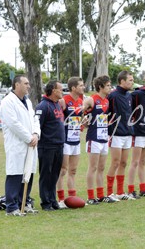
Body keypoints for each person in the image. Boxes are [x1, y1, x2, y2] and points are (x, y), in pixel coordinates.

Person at [1, 75, 40, 216]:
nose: (28, 86)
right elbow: (13, 123)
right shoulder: (8, 102)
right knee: (15, 173)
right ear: (17, 85)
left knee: (28, 172)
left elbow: (35, 119)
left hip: (31, 143)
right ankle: (11, 207)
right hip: (17, 144)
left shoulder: (28, 102)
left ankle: (25, 202)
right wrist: (29, 137)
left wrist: (36, 134)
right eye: (26, 83)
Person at [84, 75, 116, 204]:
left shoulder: (107, 101)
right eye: (108, 85)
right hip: (93, 138)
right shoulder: (92, 99)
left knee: (101, 167)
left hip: (104, 138)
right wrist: (84, 120)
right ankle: (91, 197)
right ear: (100, 87)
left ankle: (101, 195)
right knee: (93, 167)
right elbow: (79, 112)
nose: (110, 87)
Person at [35, 80, 65, 211]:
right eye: (60, 89)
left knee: (55, 175)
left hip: (59, 145)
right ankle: (45, 202)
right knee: (46, 174)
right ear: (53, 90)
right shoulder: (43, 106)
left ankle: (53, 200)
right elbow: (37, 126)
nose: (62, 91)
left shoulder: (57, 104)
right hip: (47, 146)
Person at [106, 71, 136, 201]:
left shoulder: (129, 95)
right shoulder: (112, 96)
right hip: (116, 134)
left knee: (123, 163)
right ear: (122, 81)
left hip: (128, 133)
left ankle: (120, 191)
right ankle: (109, 193)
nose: (132, 82)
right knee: (115, 162)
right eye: (130, 80)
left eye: (132, 80)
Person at [56, 77, 85, 209]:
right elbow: (59, 119)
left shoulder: (81, 101)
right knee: (63, 170)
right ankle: (61, 199)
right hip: (65, 141)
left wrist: (83, 124)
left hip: (76, 140)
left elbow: (81, 118)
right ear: (73, 88)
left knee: (73, 170)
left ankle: (72, 198)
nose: (83, 88)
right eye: (81, 85)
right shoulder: (64, 101)